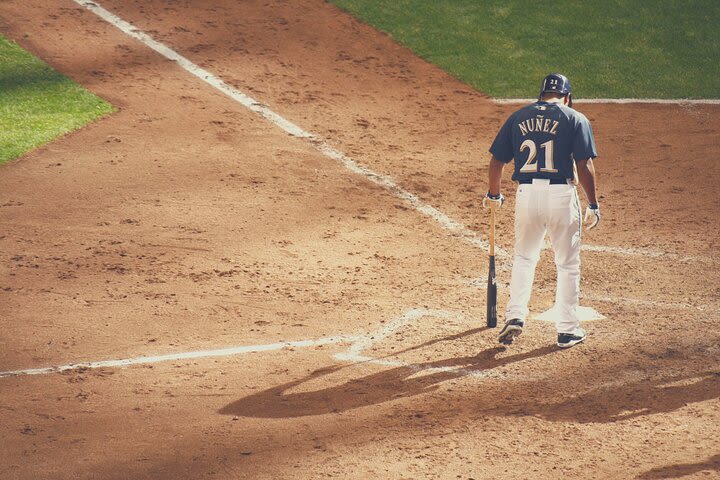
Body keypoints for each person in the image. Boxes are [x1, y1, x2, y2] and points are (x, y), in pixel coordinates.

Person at [483, 73, 600, 348]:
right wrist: (593, 203)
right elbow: (585, 166)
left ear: (541, 95)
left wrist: (494, 194)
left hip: (526, 196)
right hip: (561, 196)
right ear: (567, 97)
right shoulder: (576, 118)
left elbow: (497, 161)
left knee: (524, 258)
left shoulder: (518, 117)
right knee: (568, 265)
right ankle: (568, 330)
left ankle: (515, 316)